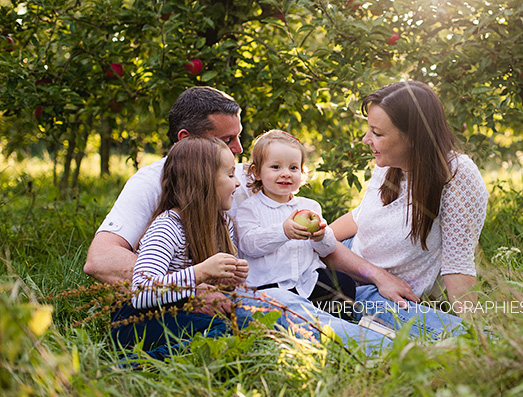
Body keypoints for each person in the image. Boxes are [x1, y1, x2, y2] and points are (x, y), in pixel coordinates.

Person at [84, 86, 391, 357]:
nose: (241, 155)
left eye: (240, 136)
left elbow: (322, 245)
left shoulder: (245, 177)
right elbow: (101, 261)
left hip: (266, 284)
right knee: (281, 308)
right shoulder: (158, 197)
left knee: (355, 265)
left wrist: (376, 275)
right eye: (228, 139)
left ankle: (387, 333)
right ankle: (379, 347)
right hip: (178, 306)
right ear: (188, 142)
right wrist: (198, 284)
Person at [326, 80, 489, 337]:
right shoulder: (388, 164)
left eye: (377, 133)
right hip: (352, 265)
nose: (366, 140)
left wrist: (474, 328)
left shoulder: (457, 175)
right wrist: (317, 240)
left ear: (413, 137)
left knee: (467, 338)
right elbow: (359, 218)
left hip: (385, 294)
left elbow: (457, 265)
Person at [114, 137, 250, 357]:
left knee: (242, 321)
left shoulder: (224, 225)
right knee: (228, 329)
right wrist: (202, 271)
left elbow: (210, 295)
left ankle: (187, 354)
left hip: (182, 315)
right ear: (203, 179)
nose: (237, 183)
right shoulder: (168, 227)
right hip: (139, 320)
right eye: (230, 174)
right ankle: (137, 365)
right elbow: (140, 293)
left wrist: (226, 281)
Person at [236, 130, 356, 319]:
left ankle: (338, 327)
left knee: (344, 284)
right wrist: (282, 232)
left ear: (302, 172)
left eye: (293, 168)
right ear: (256, 172)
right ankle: (300, 327)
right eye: (276, 167)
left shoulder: (309, 206)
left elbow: (328, 249)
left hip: (307, 280)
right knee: (274, 308)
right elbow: (248, 245)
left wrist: (321, 236)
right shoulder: (249, 208)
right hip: (269, 284)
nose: (286, 174)